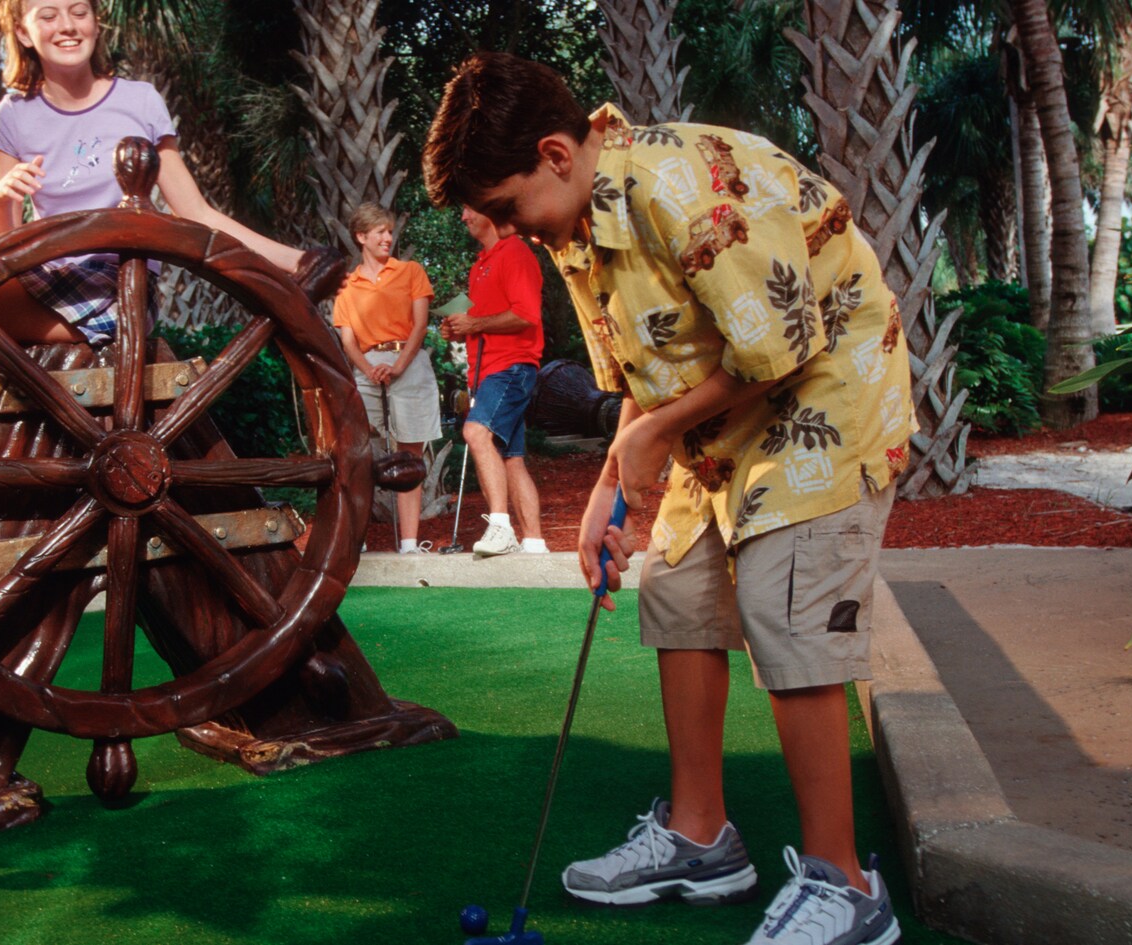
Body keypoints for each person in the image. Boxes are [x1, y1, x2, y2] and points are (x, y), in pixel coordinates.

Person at [423, 53, 915, 945]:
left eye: (504, 207)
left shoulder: (677, 187)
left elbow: (785, 342)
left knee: (787, 603)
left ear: (555, 155)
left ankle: (848, 885)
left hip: (825, 388)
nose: (505, 228)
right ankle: (701, 838)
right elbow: (644, 375)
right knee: (677, 588)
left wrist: (650, 439)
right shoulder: (572, 227)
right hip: (724, 405)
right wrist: (611, 482)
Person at [0, 0, 342, 562]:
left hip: (111, 291)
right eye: (47, 14)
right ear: (24, 33)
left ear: (97, 23)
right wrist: (5, 202)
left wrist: (293, 261)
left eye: (78, 10)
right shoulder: (12, 116)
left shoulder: (139, 101)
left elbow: (196, 212)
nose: (66, 25)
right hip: (38, 278)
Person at [332, 204, 441, 554]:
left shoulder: (410, 271)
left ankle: (409, 544)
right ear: (361, 236)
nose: (388, 238)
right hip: (368, 366)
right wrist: (369, 370)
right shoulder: (347, 286)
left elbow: (420, 326)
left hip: (408, 363)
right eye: (380, 231)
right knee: (359, 452)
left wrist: (397, 366)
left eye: (390, 231)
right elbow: (347, 340)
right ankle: (358, 541)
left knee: (409, 453)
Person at [440, 206, 547, 556]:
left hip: (511, 367)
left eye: (469, 208)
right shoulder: (480, 265)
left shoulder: (514, 251)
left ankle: (500, 527)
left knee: (476, 432)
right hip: (490, 371)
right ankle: (533, 542)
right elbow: (480, 318)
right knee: (511, 457)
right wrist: (457, 328)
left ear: (489, 209)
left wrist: (475, 324)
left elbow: (525, 315)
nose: (463, 216)